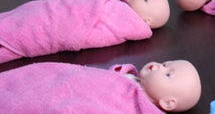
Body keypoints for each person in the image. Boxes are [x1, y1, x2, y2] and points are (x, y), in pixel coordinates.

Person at [0, 0, 169, 64]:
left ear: (146, 21)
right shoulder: (118, 4)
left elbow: (92, 36)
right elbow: (83, 4)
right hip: (58, 9)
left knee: (32, 27)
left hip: (57, 24)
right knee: (33, 13)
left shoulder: (121, 24)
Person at [0, 60, 201, 113]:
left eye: (167, 74)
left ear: (167, 103)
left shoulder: (133, 107)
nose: (159, 66)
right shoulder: (128, 77)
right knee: (42, 76)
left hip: (70, 100)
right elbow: (98, 79)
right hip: (70, 81)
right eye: (165, 63)